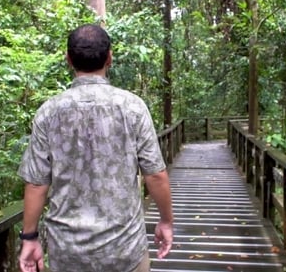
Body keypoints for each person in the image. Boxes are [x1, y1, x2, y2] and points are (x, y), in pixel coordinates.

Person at [17, 24, 173, 272]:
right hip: (124, 249)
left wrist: (29, 238)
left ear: (68, 60)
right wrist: (165, 222)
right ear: (110, 57)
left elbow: (37, 183)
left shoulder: (48, 112)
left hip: (68, 252)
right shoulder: (132, 107)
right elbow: (154, 174)